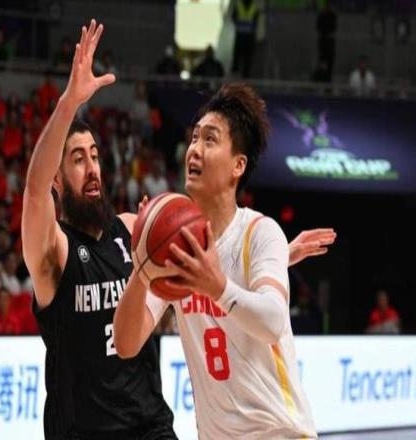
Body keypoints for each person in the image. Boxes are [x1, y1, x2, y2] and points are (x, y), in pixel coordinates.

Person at [114, 83, 336, 439]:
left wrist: (217, 287)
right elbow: (126, 344)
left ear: (238, 165)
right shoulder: (176, 249)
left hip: (278, 433)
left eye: (210, 140)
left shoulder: (260, 232)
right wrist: (141, 268)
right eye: (194, 138)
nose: (194, 149)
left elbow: (273, 321)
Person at [21, 20, 176, 440]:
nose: (92, 168)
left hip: (150, 426)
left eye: (94, 155)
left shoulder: (131, 228)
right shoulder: (54, 252)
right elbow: (34, 192)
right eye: (77, 159)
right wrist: (69, 103)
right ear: (57, 178)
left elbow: (191, 261)